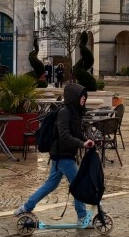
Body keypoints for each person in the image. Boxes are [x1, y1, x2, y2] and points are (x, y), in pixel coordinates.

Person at [14, 83, 96, 227]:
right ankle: (82, 216)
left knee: (50, 185)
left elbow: (76, 134)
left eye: (85, 97)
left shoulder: (75, 112)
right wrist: (81, 144)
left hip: (61, 156)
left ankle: (25, 208)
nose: (84, 99)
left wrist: (86, 141)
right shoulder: (64, 112)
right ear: (74, 97)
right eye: (81, 96)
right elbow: (64, 135)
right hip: (63, 156)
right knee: (78, 184)